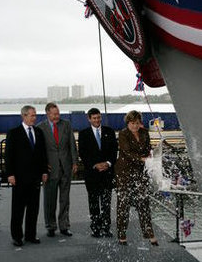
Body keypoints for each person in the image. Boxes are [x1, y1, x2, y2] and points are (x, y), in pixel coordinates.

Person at [5, 105, 48, 246]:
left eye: (35, 115)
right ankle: (17, 237)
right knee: (18, 209)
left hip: (35, 178)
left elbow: (42, 154)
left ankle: (30, 235)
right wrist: (10, 174)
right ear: (24, 116)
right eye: (32, 115)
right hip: (19, 178)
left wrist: (44, 171)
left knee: (33, 209)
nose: (34, 118)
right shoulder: (14, 133)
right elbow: (9, 156)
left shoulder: (38, 132)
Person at [114, 110, 159, 246]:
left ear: (140, 123)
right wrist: (142, 158)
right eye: (132, 123)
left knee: (143, 202)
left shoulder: (145, 133)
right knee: (124, 202)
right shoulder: (123, 134)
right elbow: (127, 152)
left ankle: (148, 232)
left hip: (141, 171)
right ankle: (122, 233)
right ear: (128, 123)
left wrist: (151, 156)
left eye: (137, 123)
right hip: (124, 172)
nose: (135, 126)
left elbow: (148, 148)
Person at [37, 103, 79, 237]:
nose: (57, 116)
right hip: (50, 170)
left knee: (65, 199)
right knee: (50, 200)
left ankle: (64, 226)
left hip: (66, 167)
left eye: (58, 113)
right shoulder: (40, 128)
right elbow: (39, 151)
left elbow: (72, 144)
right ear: (47, 114)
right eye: (54, 114)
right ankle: (50, 226)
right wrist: (43, 166)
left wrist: (75, 162)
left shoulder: (66, 124)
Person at [78, 108, 118, 237]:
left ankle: (106, 228)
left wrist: (108, 164)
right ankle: (95, 228)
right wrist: (95, 165)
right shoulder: (83, 134)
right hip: (92, 175)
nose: (97, 120)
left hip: (107, 174)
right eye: (94, 118)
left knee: (106, 203)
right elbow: (83, 154)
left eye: (99, 117)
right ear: (89, 119)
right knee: (94, 203)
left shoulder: (109, 131)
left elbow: (114, 151)